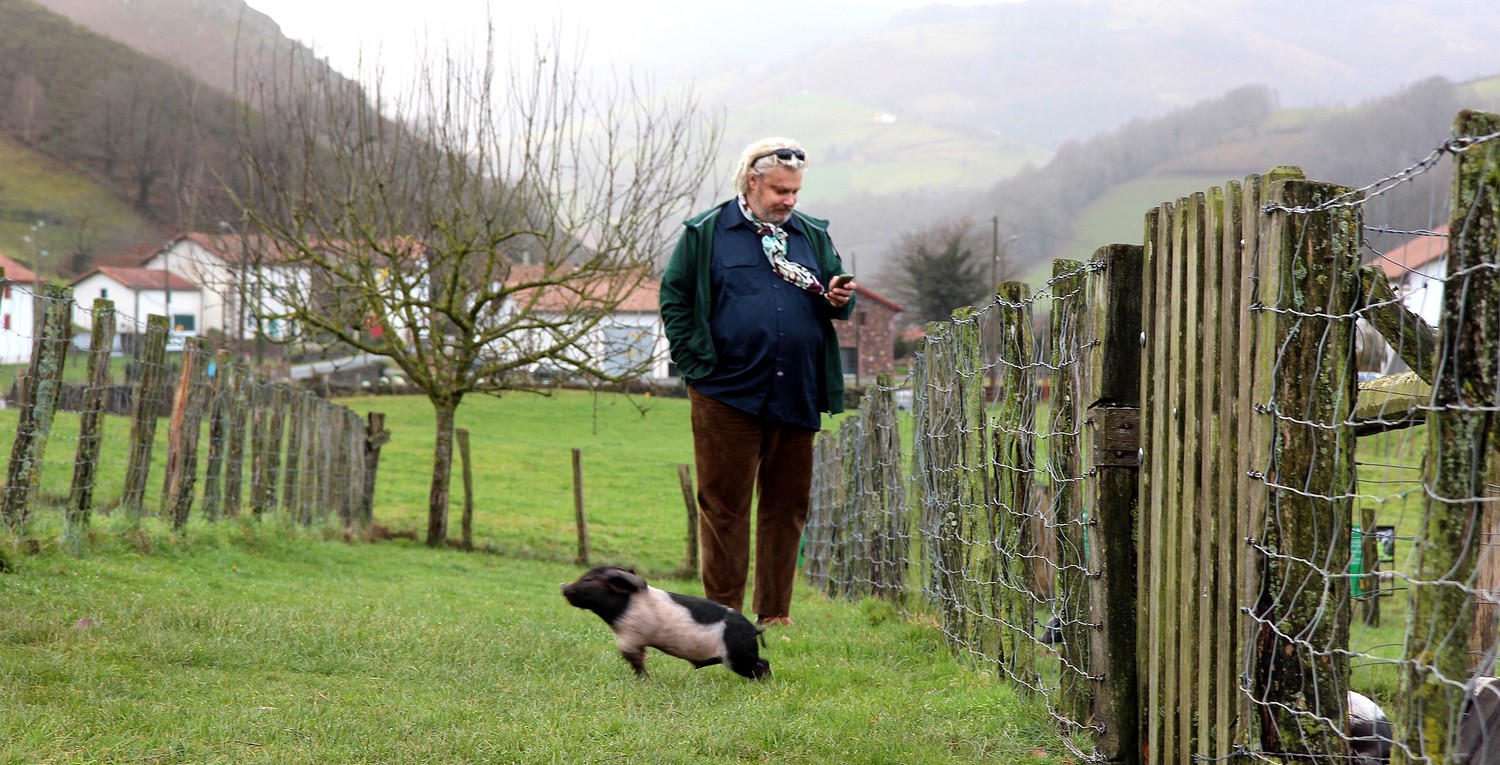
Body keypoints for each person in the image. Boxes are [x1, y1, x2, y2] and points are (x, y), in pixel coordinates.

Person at [659, 137, 857, 626]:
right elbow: (675, 299)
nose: (789, 201)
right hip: (725, 392)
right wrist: (695, 365)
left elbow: (836, 295)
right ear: (752, 182)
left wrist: (838, 298)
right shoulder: (707, 232)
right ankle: (725, 617)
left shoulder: (811, 234)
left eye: (795, 191)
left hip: (797, 390)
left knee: (786, 507)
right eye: (779, 190)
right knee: (724, 507)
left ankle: (774, 617)